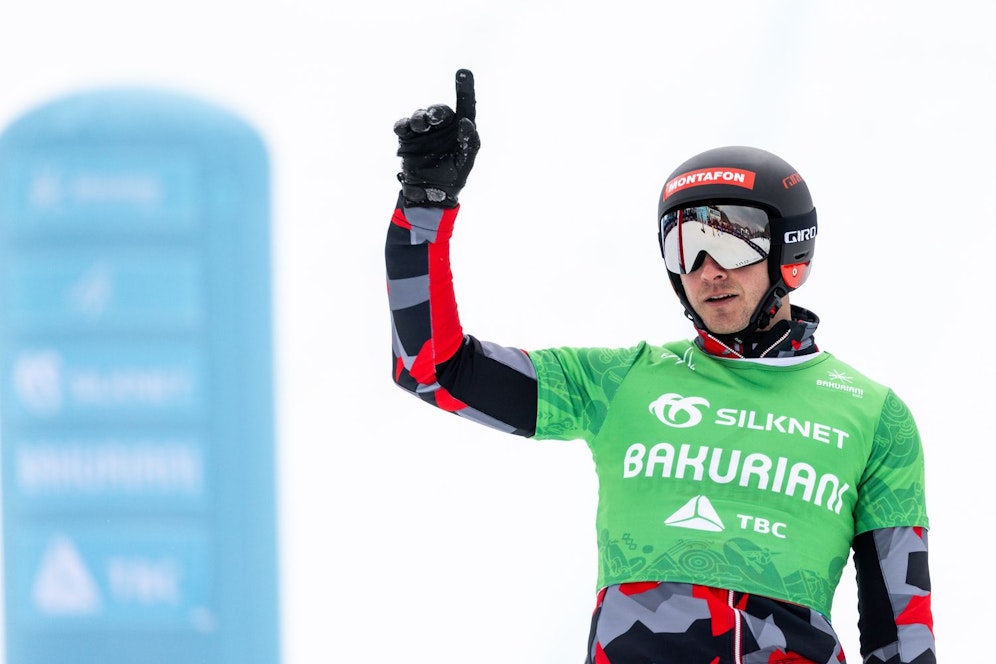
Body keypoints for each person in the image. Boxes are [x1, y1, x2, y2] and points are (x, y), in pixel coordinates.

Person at [384, 69, 934, 664]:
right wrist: (425, 207)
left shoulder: (874, 416)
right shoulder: (621, 381)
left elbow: (900, 632)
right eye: (683, 246)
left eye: (730, 241)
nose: (706, 269)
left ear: (790, 250)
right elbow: (433, 367)